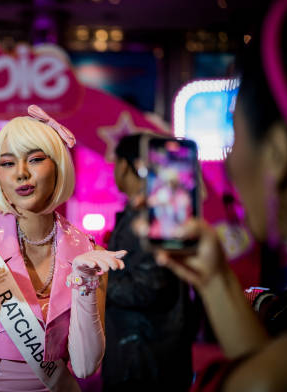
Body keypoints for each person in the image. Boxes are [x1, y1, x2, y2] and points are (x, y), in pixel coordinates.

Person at [152, 0, 287, 391]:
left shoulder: (262, 381)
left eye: (234, 128)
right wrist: (216, 280)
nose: (229, 161)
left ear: (279, 154)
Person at [0, 105, 126, 391]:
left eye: (34, 159)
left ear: (58, 165)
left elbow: (85, 366)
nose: (21, 173)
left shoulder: (85, 249)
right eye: (8, 163)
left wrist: (85, 283)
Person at [102, 134, 194, 391]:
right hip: (148, 355)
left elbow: (149, 287)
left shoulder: (149, 216)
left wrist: (97, 281)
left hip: (142, 361)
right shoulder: (152, 211)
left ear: (124, 165)